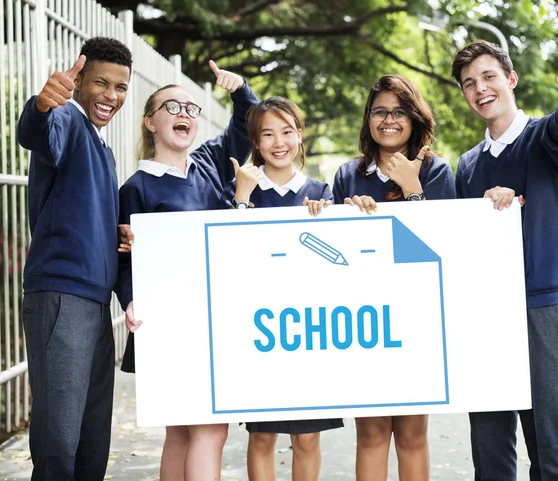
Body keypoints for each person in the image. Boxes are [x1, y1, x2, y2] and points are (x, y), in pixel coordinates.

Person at [115, 61, 258, 481]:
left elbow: (244, 126)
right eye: (172, 106)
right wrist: (129, 299)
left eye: (191, 109)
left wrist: (240, 89)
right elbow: (125, 258)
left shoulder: (209, 164)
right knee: (206, 432)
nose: (184, 114)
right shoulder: (135, 188)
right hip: (171, 324)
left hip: (212, 317)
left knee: (182, 433)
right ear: (150, 122)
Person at [451, 39, 558, 480]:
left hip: (541, 309)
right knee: (489, 448)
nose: (480, 88)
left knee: (547, 447)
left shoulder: (544, 138)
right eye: (470, 83)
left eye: (489, 76)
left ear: (510, 79)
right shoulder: (467, 165)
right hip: (485, 315)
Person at [16, 37, 132, 481]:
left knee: (90, 437)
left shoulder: (102, 145)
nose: (111, 96)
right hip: (61, 294)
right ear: (78, 80)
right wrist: (42, 106)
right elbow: (37, 133)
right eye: (100, 83)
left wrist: (116, 231)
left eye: (120, 87)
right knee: (60, 438)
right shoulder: (65, 117)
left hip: (94, 301)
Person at [332, 74, 455, 481]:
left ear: (414, 118)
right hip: (364, 318)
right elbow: (335, 254)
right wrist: (349, 214)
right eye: (379, 111)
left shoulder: (436, 170)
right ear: (368, 119)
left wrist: (412, 188)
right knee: (369, 433)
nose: (388, 120)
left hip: (415, 319)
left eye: (398, 112)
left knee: (412, 434)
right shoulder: (348, 175)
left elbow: (440, 248)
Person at [230, 97, 343, 481]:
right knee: (262, 437)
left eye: (287, 132)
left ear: (299, 136)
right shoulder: (242, 190)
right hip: (261, 330)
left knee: (308, 438)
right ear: (256, 143)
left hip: (311, 331)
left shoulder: (321, 192)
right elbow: (230, 255)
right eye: (267, 134)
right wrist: (241, 200)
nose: (279, 142)